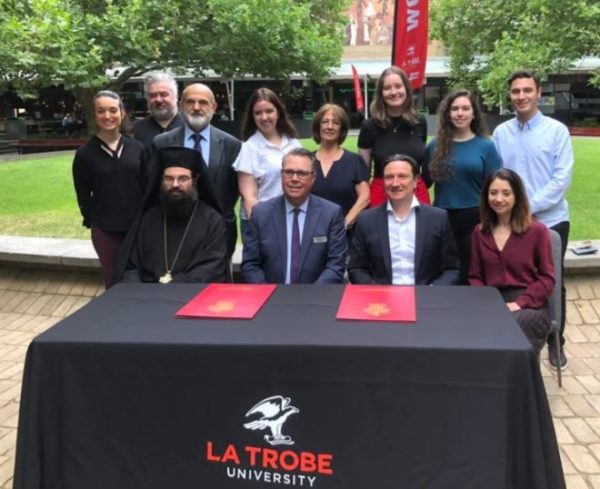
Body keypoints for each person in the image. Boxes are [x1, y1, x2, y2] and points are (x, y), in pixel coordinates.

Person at [492, 70, 573, 368]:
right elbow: (496, 177)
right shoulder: (501, 133)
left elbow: (561, 179)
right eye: (516, 91)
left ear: (539, 92)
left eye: (527, 90)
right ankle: (521, 332)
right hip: (510, 223)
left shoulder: (556, 131)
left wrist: (526, 207)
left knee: (553, 282)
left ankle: (555, 341)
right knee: (518, 279)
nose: (521, 96)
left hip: (551, 220)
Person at [469, 169, 555, 353]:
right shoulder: (480, 232)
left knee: (510, 325)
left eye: (506, 193)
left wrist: (520, 303)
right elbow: (475, 276)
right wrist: (487, 302)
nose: (499, 199)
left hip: (529, 303)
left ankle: (518, 372)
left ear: (517, 196)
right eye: (493, 193)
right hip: (491, 300)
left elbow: (547, 278)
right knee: (469, 326)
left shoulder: (537, 231)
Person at [423, 89, 502, 284]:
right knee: (442, 274)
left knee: (470, 274)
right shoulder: (434, 146)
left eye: (466, 108)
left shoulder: (486, 147)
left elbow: (495, 188)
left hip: (475, 220)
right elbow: (423, 183)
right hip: (441, 219)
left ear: (474, 114)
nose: (460, 113)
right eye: (455, 109)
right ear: (447, 113)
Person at [153, 83, 242, 258]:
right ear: (181, 105)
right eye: (190, 102)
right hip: (174, 229)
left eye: (203, 102)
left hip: (219, 232)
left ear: (213, 107)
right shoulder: (162, 143)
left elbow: (233, 191)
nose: (196, 107)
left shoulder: (232, 145)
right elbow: (157, 186)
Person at [119, 146, 227, 284]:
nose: (175, 184)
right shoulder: (149, 218)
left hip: (192, 291)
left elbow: (212, 267)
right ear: (161, 180)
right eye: (169, 178)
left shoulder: (212, 220)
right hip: (149, 292)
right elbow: (133, 265)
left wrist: (172, 287)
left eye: (183, 178)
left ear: (194, 181)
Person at [348, 154, 460, 285]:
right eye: (389, 177)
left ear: (415, 181)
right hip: (381, 296)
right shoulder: (366, 220)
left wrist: (431, 291)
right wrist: (378, 291)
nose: (395, 183)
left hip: (425, 295)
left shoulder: (438, 218)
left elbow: (452, 269)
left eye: (402, 176)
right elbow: (356, 269)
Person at [72, 90, 146, 288]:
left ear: (122, 113)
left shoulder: (137, 148)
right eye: (101, 111)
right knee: (114, 280)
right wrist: (93, 220)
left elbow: (147, 186)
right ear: (94, 115)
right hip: (106, 230)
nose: (107, 116)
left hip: (138, 228)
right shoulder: (85, 154)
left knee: (143, 277)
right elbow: (82, 194)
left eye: (113, 110)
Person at [242, 148, 347, 284]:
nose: (294, 179)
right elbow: (250, 265)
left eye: (302, 173)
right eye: (289, 172)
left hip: (317, 294)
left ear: (313, 178)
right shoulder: (261, 213)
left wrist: (311, 294)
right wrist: (268, 293)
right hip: (271, 294)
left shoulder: (331, 213)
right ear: (282, 175)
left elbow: (336, 265)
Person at [233, 88, 301, 241]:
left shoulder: (293, 143)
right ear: (252, 116)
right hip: (260, 222)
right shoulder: (249, 148)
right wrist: (261, 230)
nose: (264, 117)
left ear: (278, 112)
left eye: (269, 111)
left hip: (291, 218)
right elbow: (249, 197)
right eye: (258, 113)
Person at [358, 66, 430, 207]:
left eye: (398, 86)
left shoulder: (419, 122)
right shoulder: (369, 126)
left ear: (406, 89)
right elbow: (363, 173)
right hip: (381, 193)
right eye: (387, 88)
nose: (393, 92)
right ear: (381, 93)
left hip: (416, 192)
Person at [311, 103, 370, 232]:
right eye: (325, 122)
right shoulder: (306, 161)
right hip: (312, 232)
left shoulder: (354, 161)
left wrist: (344, 224)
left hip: (346, 234)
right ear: (318, 126)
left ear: (342, 129)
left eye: (335, 122)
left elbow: (365, 197)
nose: (330, 126)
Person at [133, 71, 184, 150]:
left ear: (176, 97)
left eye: (164, 94)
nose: (158, 100)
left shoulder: (190, 127)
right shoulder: (135, 130)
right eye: (153, 95)